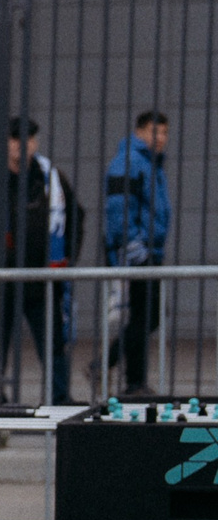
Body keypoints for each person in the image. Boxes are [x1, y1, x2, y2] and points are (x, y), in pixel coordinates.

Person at [0, 116, 81, 407]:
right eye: (16, 139)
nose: (23, 145)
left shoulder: (51, 179)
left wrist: (67, 259)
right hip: (0, 282)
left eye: (29, 138)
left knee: (53, 342)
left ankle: (59, 398)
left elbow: (75, 219)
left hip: (43, 280)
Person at [103, 109, 170, 394]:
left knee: (146, 316)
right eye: (155, 132)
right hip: (138, 252)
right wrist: (134, 246)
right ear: (140, 131)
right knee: (146, 316)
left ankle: (129, 376)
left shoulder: (149, 163)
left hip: (149, 250)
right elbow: (119, 208)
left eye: (165, 133)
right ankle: (128, 377)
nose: (161, 138)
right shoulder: (130, 161)